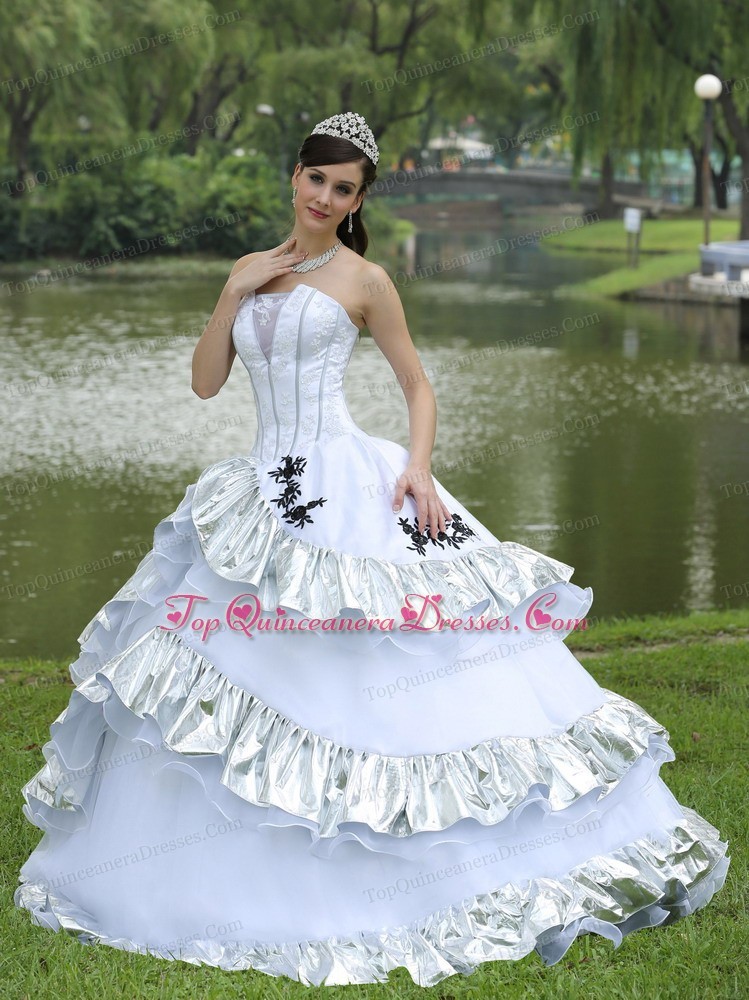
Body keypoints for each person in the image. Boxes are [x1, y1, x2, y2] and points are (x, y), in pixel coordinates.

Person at [14, 111, 729, 988]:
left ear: (357, 201)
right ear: (295, 177)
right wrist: (233, 293)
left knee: (384, 661)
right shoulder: (250, 269)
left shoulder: (366, 280)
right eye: (315, 178)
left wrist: (417, 468)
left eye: (343, 188)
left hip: (348, 480)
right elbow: (204, 384)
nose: (324, 197)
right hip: (260, 489)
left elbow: (416, 384)